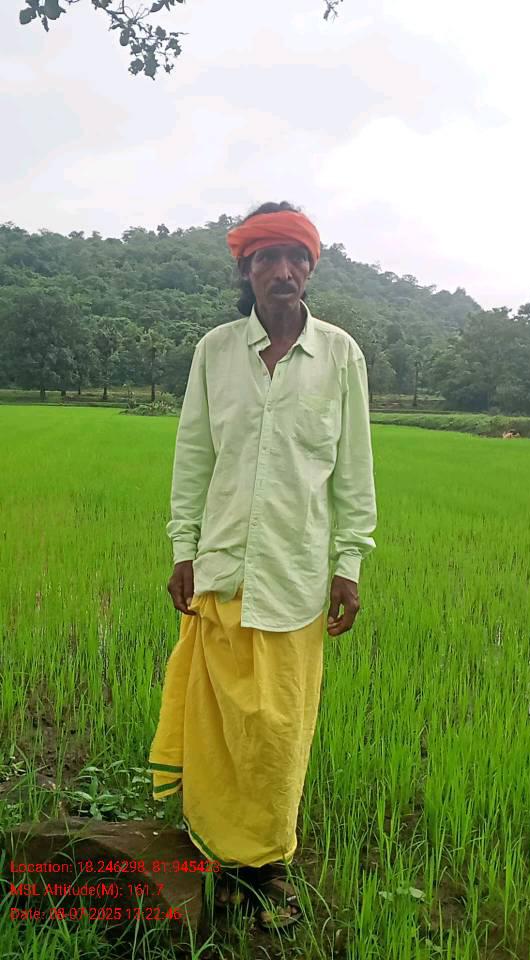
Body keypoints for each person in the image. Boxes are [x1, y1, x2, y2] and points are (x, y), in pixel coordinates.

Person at [148, 201, 377, 930]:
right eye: (266, 258)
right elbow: (194, 456)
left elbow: (353, 472)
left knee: (278, 730)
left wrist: (349, 563)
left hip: (295, 576)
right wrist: (183, 548)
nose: (282, 271)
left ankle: (268, 865)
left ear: (311, 268)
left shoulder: (340, 355)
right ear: (245, 271)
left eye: (294, 258)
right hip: (221, 568)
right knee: (218, 726)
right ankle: (215, 850)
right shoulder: (215, 352)